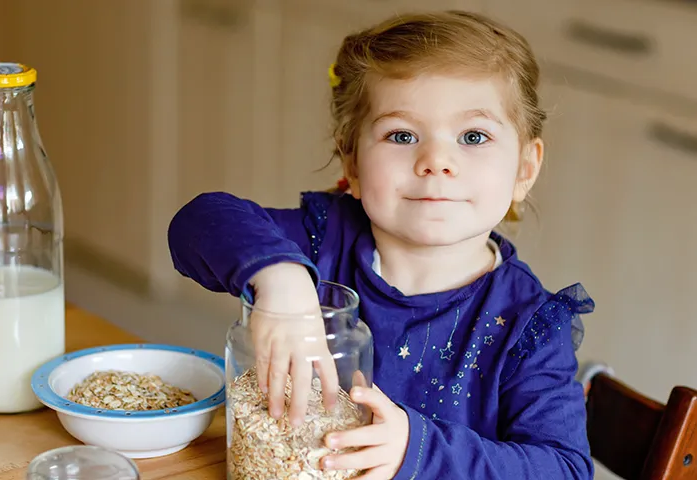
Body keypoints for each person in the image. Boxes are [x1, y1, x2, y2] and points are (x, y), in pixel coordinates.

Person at [168, 9, 594, 480]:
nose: (436, 161)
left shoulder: (528, 326)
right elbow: (197, 221)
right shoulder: (321, 240)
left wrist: (417, 450)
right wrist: (280, 279)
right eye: (402, 135)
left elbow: (565, 469)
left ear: (524, 170)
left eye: (473, 136)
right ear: (351, 160)